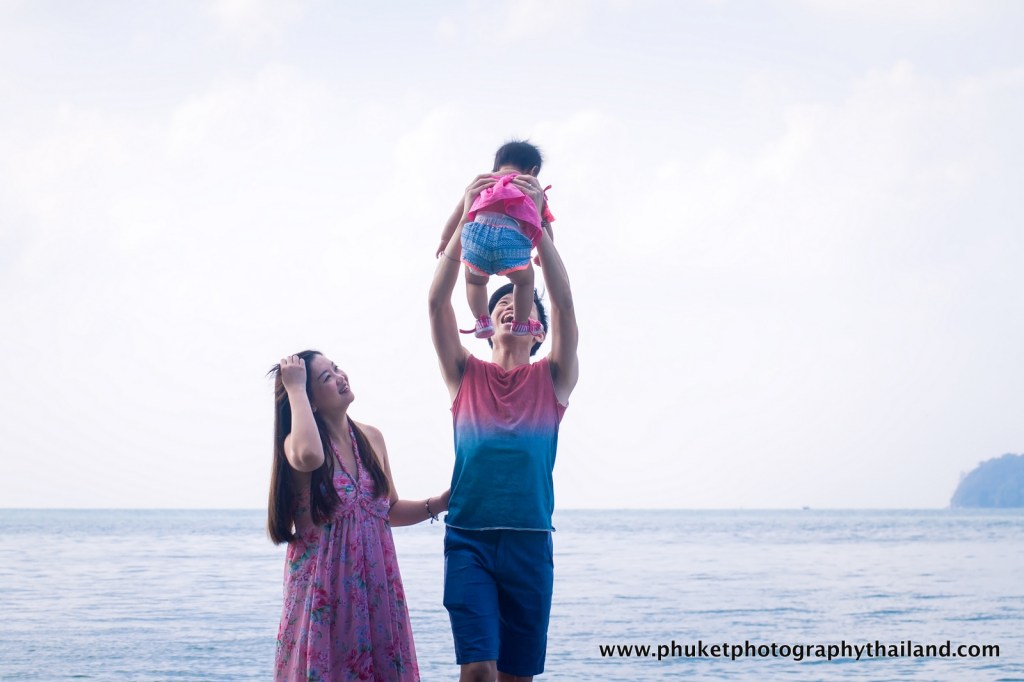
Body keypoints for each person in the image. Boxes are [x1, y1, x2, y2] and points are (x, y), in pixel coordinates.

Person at [429, 173, 580, 682]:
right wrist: (466, 213)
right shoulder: (464, 375)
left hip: (530, 541)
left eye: (522, 305)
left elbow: (564, 304)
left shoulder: (553, 380)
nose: (511, 305)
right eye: (499, 304)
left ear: (538, 333)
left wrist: (536, 230)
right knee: (478, 669)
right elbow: (435, 303)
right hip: (468, 536)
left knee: (517, 677)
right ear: (487, 324)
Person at [267, 350, 450, 682]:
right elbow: (310, 456)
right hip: (324, 596)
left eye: (336, 368)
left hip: (375, 591)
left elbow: (386, 510)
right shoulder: (297, 443)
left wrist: (439, 502)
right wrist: (294, 387)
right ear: (310, 401)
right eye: (326, 377)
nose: (340, 376)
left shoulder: (371, 438)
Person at [435, 140, 556, 339]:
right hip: (510, 241)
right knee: (524, 283)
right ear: (532, 170)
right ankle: (520, 323)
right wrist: (541, 256)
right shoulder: (530, 185)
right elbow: (544, 224)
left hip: (477, 238)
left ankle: (482, 321)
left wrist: (444, 239)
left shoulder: (481, 183)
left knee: (475, 282)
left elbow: (458, 214)